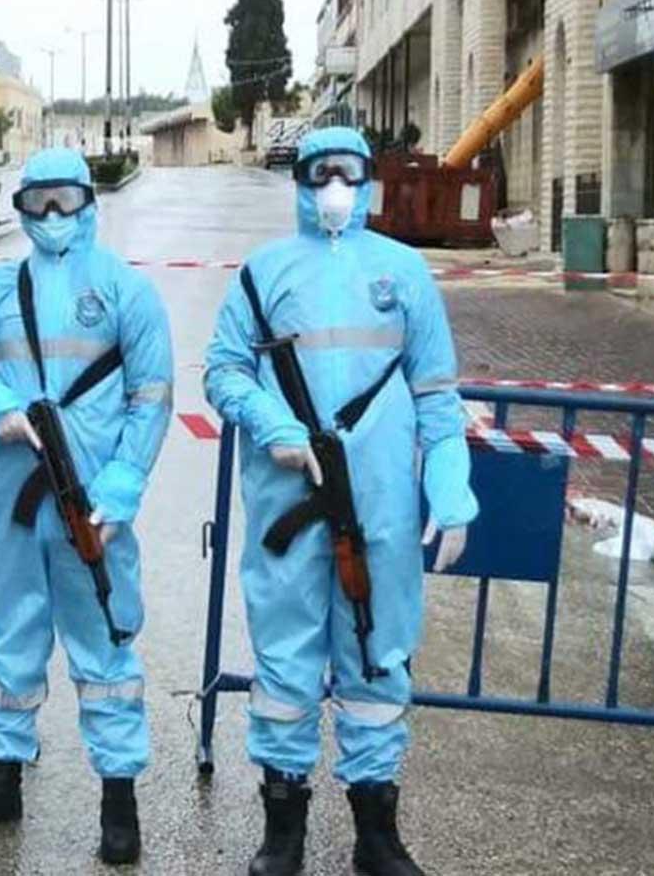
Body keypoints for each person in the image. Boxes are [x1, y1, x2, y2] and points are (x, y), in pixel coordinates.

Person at [204, 127, 476, 876]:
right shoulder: (263, 274)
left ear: (368, 180)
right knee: (285, 664)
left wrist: (450, 488)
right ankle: (282, 825)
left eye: (349, 174)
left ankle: (375, 831)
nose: (335, 187)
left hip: (380, 505)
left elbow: (436, 393)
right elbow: (224, 372)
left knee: (377, 660)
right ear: (297, 180)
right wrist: (272, 424)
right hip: (287, 502)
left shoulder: (404, 272)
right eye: (320, 173)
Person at [0, 147, 173, 865]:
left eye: (66, 198)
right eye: (38, 202)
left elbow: (152, 396)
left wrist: (124, 483)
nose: (53, 214)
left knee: (107, 646)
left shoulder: (127, 291)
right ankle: (1, 777)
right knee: (11, 637)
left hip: (93, 504)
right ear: (22, 209)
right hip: (10, 500)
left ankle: (118, 798)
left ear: (89, 202)